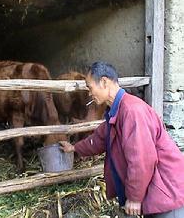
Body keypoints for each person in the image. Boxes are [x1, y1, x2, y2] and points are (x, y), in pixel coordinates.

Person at [59, 61, 184, 218]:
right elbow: (99, 139)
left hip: (167, 192)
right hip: (157, 191)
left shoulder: (132, 111)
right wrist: (74, 148)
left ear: (104, 82)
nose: (89, 93)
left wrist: (134, 197)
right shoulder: (117, 111)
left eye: (89, 87)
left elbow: (142, 159)